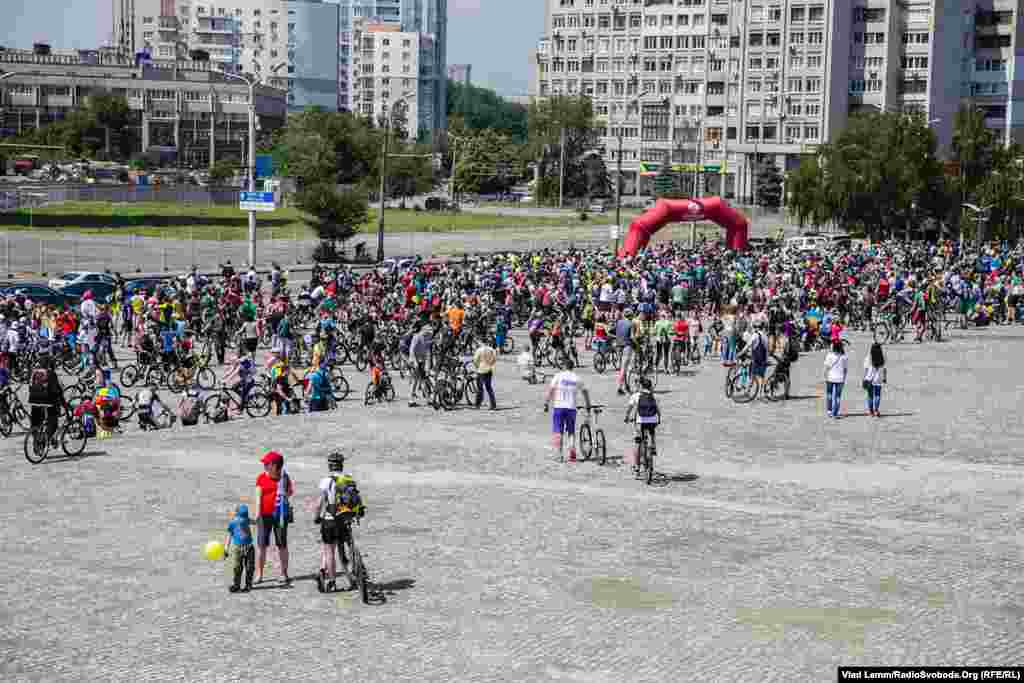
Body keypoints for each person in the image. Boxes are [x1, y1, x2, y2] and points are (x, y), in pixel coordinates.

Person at [314, 451, 365, 592]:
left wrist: (317, 516)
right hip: (344, 519)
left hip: (330, 520)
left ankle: (332, 582)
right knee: (348, 544)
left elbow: (319, 503)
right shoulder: (348, 479)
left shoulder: (327, 481)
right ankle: (357, 568)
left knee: (329, 551)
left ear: (329, 466)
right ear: (342, 465)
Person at [254, 451, 294, 585]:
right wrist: (257, 513)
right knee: (261, 545)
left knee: (282, 544)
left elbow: (289, 493)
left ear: (275, 466)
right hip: (264, 515)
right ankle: (259, 574)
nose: (264, 466)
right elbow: (258, 496)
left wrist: (283, 493)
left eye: (267, 464)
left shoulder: (284, 478)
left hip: (280, 515)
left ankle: (284, 573)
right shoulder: (261, 477)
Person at [544, 365, 592, 463]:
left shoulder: (558, 376)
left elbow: (551, 390)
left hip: (559, 407)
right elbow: (585, 391)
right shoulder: (576, 377)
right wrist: (588, 404)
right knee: (571, 431)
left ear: (563, 366)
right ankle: (572, 451)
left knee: (558, 431)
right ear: (572, 367)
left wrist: (546, 402)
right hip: (571, 408)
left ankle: (559, 455)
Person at [624, 376, 660, 476]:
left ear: (641, 386)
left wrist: (627, 417)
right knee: (652, 432)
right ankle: (653, 446)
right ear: (650, 387)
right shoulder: (653, 396)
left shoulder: (636, 396)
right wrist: (658, 419)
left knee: (638, 442)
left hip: (640, 422)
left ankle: (637, 468)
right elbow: (658, 410)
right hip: (652, 420)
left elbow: (629, 409)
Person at [27, 356, 65, 443]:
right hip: (47, 401)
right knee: (53, 421)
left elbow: (30, 387)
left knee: (35, 422)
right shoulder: (51, 373)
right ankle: (46, 439)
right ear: (48, 364)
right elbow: (57, 391)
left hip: (33, 400)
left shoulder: (34, 373)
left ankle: (36, 442)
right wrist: (64, 404)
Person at [224, 503, 255, 593]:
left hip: (249, 547)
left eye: (245, 517)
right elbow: (229, 535)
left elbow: (256, 521)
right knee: (237, 567)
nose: (243, 519)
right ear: (237, 515)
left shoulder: (247, 520)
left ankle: (248, 585)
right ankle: (236, 585)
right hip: (238, 548)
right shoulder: (233, 523)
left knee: (250, 567)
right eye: (242, 517)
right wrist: (226, 549)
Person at [823, 340, 848, 419]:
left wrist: (825, 376)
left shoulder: (829, 355)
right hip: (840, 378)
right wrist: (844, 378)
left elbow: (826, 367)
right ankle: (835, 413)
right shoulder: (844, 357)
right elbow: (845, 369)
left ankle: (829, 411)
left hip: (830, 377)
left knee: (829, 394)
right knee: (837, 397)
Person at [863, 342, 887, 417]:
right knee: (877, 395)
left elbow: (866, 369)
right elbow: (884, 369)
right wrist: (884, 378)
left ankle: (871, 412)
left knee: (870, 396)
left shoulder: (868, 357)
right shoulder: (883, 357)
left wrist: (864, 377)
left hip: (869, 378)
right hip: (878, 378)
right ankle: (876, 410)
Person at [472, 339, 498, 410]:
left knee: (480, 388)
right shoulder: (492, 350)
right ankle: (493, 404)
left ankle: (478, 404)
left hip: (481, 370)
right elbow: (494, 359)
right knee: (489, 388)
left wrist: (477, 366)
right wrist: (490, 364)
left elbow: (475, 360)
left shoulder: (479, 350)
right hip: (489, 369)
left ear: (482, 342)